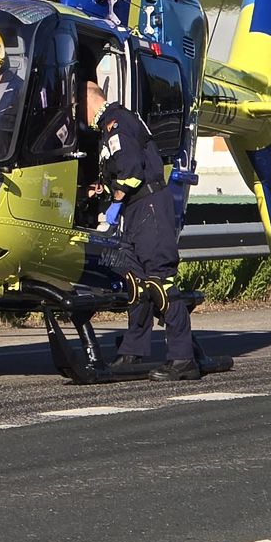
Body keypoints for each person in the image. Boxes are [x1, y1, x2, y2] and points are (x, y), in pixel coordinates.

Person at [83, 78, 201, 380]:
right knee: (135, 284)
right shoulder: (110, 126)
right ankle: (132, 352)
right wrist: (102, 189)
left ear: (89, 99)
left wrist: (113, 206)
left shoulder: (116, 122)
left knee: (159, 281)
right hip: (137, 210)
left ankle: (182, 358)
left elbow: (132, 171)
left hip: (148, 206)